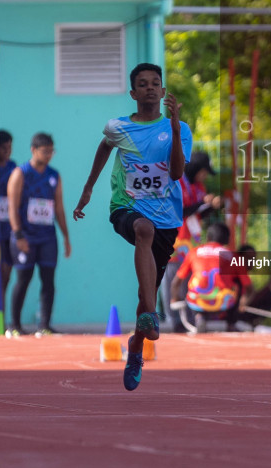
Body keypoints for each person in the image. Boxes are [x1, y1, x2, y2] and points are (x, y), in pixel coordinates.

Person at [73, 63, 190, 392]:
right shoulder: (118, 127)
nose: (150, 88)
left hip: (167, 218)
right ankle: (152, 315)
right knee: (142, 229)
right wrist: (88, 188)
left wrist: (178, 131)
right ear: (133, 93)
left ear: (164, 92)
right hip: (126, 208)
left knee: (144, 296)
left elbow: (178, 173)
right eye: (143, 84)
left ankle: (136, 344)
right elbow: (104, 147)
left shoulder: (177, 129)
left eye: (156, 83)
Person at [6, 132, 71, 338]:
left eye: (52, 151)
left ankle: (44, 325)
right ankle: (14, 326)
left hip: (47, 236)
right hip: (26, 236)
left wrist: (66, 236)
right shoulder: (20, 173)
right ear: (33, 150)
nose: (49, 155)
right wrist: (18, 235)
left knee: (48, 280)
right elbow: (12, 207)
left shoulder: (54, 175)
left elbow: (59, 208)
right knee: (23, 279)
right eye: (45, 151)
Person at [164, 150, 221, 331]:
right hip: (174, 243)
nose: (204, 176)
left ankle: (189, 318)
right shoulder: (176, 182)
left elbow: (198, 213)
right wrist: (200, 204)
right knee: (173, 280)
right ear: (196, 167)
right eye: (204, 172)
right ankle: (173, 321)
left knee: (189, 280)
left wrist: (210, 207)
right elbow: (179, 211)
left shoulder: (199, 187)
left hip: (191, 244)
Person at [175, 222, 249, 330]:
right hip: (223, 301)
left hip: (196, 301)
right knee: (237, 281)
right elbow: (248, 286)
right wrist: (244, 301)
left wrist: (174, 299)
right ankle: (231, 322)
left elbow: (176, 282)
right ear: (227, 239)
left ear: (208, 237)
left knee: (189, 275)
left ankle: (199, 316)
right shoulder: (233, 256)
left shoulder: (193, 252)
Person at [0, 129, 19, 336]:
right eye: (4, 148)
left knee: (6, 276)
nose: (8, 152)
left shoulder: (14, 169)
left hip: (8, 232)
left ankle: (4, 321)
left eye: (10, 147)